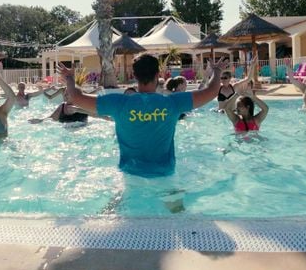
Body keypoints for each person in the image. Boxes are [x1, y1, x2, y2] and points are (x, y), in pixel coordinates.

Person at [57, 54, 228, 178]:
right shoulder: (173, 103)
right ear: (158, 75)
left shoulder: (119, 103)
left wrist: (70, 79)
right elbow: (212, 91)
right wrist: (217, 71)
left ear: (134, 76)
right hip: (164, 175)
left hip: (131, 174)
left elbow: (76, 97)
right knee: (176, 211)